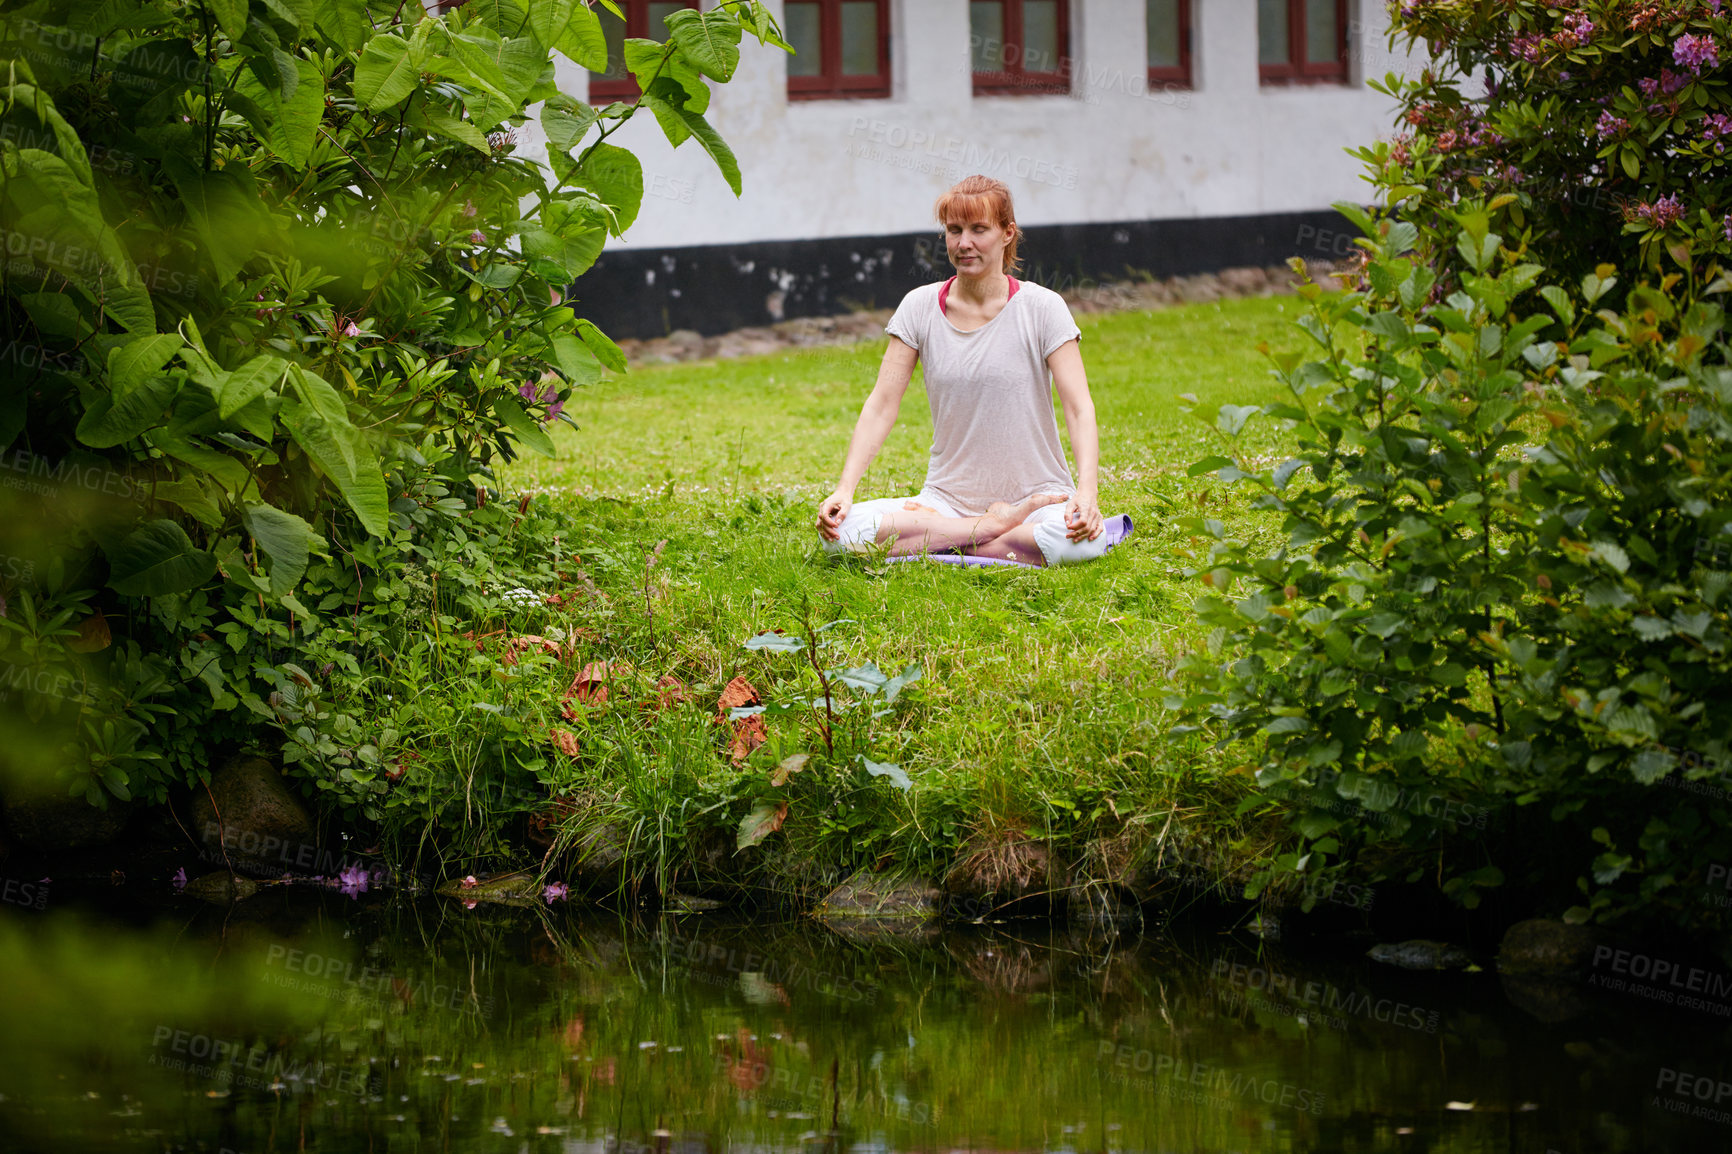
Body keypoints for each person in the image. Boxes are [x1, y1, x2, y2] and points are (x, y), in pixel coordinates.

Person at [815, 174, 1107, 567]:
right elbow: (882, 404)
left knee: (1078, 541)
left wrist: (1086, 494)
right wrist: (844, 490)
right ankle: (988, 532)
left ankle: (940, 544)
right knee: (841, 536)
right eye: (954, 230)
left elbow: (1078, 407)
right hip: (945, 503)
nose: (963, 243)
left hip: (1040, 498)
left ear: (1007, 233)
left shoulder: (1043, 307)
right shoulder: (919, 307)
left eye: (978, 229)